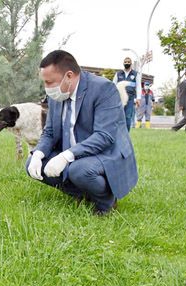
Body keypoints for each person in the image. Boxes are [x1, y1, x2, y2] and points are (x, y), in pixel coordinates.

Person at [27, 50, 138, 215]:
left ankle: (106, 202)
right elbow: (50, 132)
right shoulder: (56, 95)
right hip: (74, 152)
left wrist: (66, 156)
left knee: (79, 170)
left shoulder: (104, 89)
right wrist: (38, 154)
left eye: (50, 82)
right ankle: (82, 194)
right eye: (44, 83)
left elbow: (104, 136)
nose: (47, 88)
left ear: (69, 76)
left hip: (105, 153)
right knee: (32, 164)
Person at [113, 57, 141, 131]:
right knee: (119, 116)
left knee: (128, 116)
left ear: (131, 64)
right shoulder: (118, 74)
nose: (127, 63)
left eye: (128, 62)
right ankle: (118, 133)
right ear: (123, 63)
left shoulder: (135, 74)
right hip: (119, 98)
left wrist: (138, 98)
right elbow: (113, 86)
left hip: (130, 98)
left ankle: (126, 134)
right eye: (125, 62)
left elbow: (138, 86)